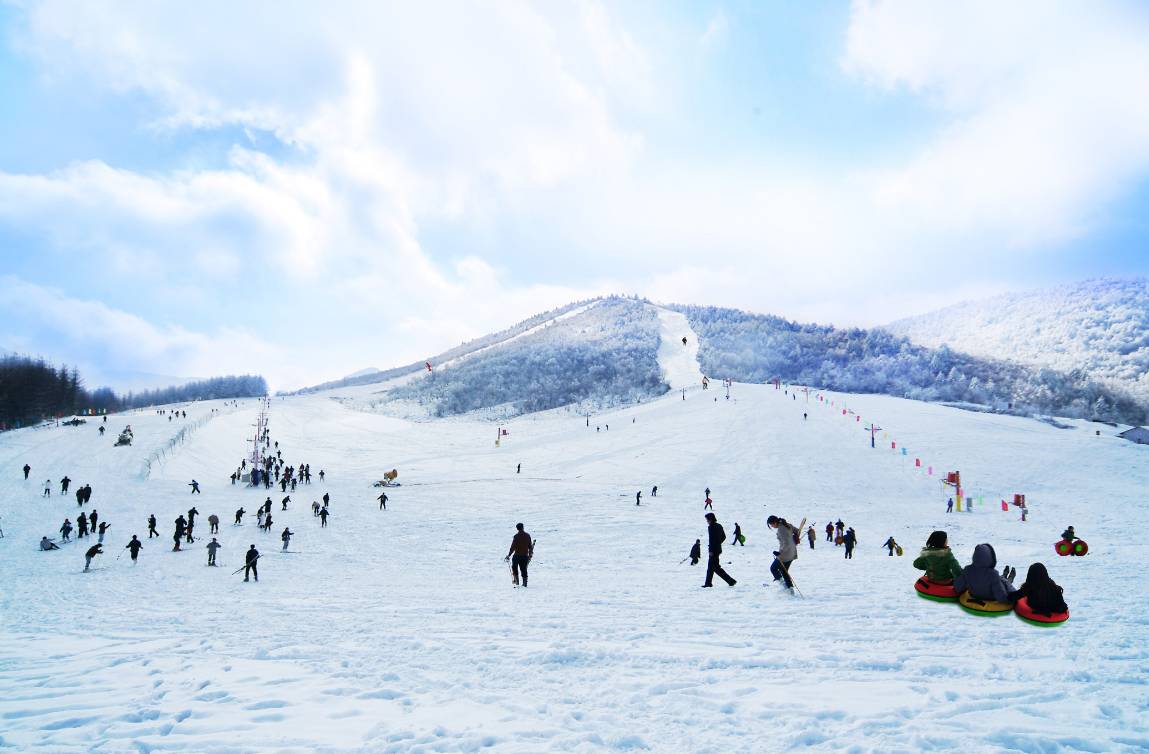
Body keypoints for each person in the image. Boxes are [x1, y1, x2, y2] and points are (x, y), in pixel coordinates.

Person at [702, 513, 736, 587]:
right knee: (711, 568)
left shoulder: (711, 527)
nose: (707, 521)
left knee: (716, 568)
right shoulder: (719, 526)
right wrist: (718, 544)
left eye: (707, 520)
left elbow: (711, 540)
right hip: (718, 550)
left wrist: (711, 550)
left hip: (713, 551)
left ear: (710, 519)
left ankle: (731, 581)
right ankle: (708, 583)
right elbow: (724, 537)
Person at [767, 515, 797, 590]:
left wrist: (779, 553)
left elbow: (786, 543)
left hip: (785, 554)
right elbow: (797, 531)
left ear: (774, 523)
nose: (771, 526)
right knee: (784, 571)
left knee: (773, 568)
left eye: (771, 525)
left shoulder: (781, 529)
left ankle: (784, 587)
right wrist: (795, 537)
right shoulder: (787, 525)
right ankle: (790, 588)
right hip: (792, 552)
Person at [505, 523, 534, 587]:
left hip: (517, 556)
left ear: (517, 528)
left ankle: (517, 582)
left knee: (514, 568)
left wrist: (509, 555)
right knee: (524, 569)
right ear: (523, 527)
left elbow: (513, 547)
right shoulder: (527, 536)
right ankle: (525, 583)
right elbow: (530, 547)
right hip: (525, 556)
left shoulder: (516, 536)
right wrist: (530, 554)